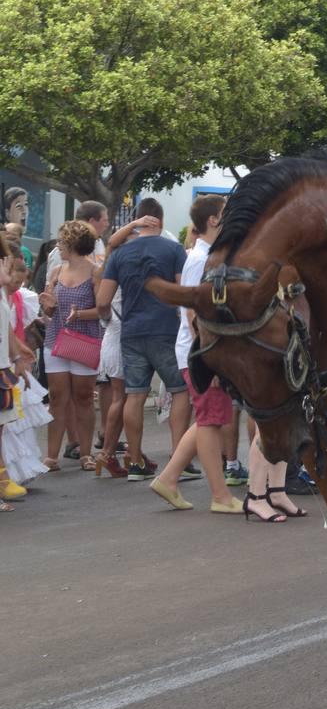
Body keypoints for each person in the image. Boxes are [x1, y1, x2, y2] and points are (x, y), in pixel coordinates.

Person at [149, 194, 244, 514]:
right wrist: (210, 361)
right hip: (200, 353)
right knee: (210, 420)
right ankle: (220, 495)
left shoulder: (205, 256)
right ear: (214, 220)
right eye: (225, 213)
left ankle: (169, 479)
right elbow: (192, 314)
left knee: (208, 419)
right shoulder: (201, 259)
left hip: (198, 352)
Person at [96, 198, 189, 482]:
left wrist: (110, 320)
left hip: (131, 331)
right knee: (179, 391)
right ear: (159, 220)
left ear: (139, 219)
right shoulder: (174, 249)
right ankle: (178, 457)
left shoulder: (120, 255)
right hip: (165, 330)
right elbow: (183, 293)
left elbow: (102, 300)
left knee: (134, 395)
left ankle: (135, 461)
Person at [39, 221, 102, 472]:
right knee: (57, 398)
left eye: (62, 242)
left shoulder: (96, 272)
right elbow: (47, 309)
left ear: (74, 244)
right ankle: (52, 456)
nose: (58, 246)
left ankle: (86, 453)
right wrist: (48, 305)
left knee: (84, 398)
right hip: (55, 339)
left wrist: (80, 315)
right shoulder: (56, 272)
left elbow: (103, 309)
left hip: (84, 340)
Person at [3, 251, 50, 487]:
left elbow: (11, 331)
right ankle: (8, 474)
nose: (17, 286)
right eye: (14, 281)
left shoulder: (20, 298)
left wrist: (22, 349)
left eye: (21, 283)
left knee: (19, 421)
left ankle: (21, 470)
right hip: (7, 362)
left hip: (13, 362)